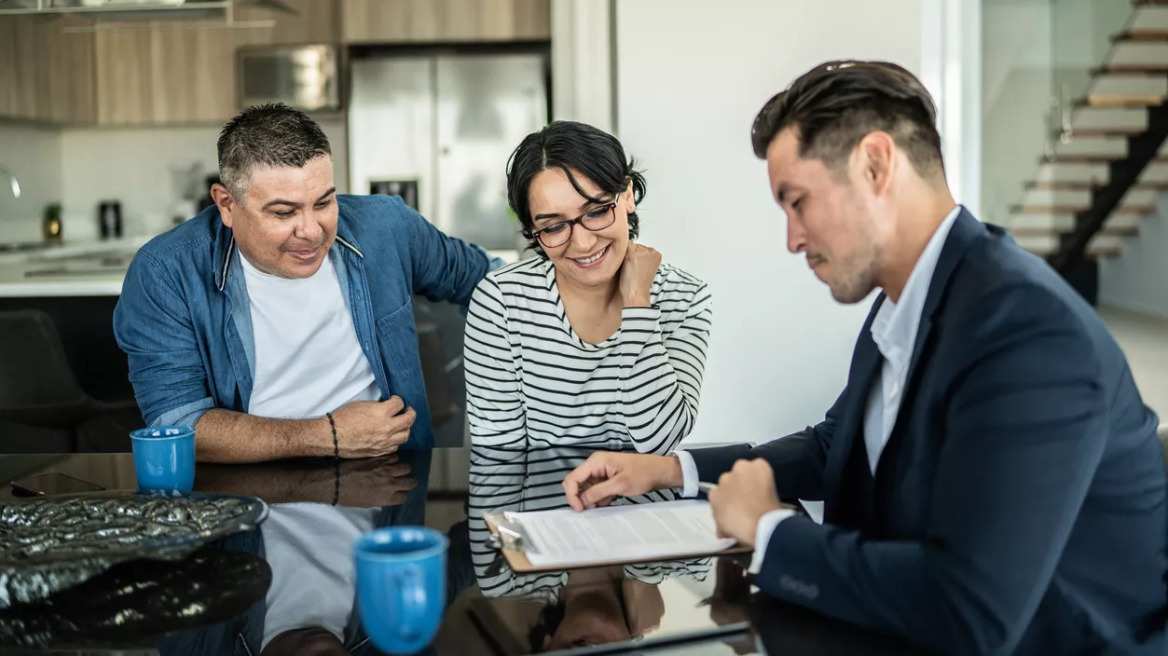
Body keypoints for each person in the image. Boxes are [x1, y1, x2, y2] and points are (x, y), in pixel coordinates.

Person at [562, 61, 1168, 654]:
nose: (792, 239)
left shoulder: (1029, 331)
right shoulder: (909, 303)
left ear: (876, 164)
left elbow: (971, 612)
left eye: (797, 202)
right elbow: (836, 446)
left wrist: (771, 533)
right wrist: (670, 469)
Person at [114, 103, 499, 463]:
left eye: (324, 202)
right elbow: (178, 425)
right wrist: (328, 435)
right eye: (284, 212)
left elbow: (489, 280)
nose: (312, 231)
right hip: (246, 496)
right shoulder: (165, 272)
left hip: (390, 483)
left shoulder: (385, 227)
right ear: (227, 205)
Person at [464, 121, 712, 457]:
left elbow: (659, 441)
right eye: (553, 227)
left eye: (595, 212)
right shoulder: (501, 303)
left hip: (650, 510)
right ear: (532, 230)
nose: (582, 242)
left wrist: (638, 304)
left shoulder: (684, 297)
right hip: (538, 509)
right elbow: (498, 459)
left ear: (626, 196)